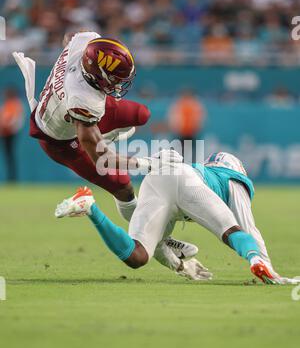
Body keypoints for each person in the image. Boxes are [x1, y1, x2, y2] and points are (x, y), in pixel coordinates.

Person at [14, 32, 196, 259]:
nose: (120, 84)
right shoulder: (82, 99)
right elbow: (102, 158)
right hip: (63, 142)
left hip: (78, 110)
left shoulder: (85, 42)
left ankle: (102, 131)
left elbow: (70, 36)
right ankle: (159, 239)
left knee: (142, 114)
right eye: (116, 79)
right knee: (123, 187)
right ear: (98, 75)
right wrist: (149, 163)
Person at [55, 150, 297, 285]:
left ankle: (90, 207)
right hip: (185, 181)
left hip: (160, 179)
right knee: (233, 233)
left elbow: (158, 247)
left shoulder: (202, 169)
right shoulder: (232, 178)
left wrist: (180, 265)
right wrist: (263, 263)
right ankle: (258, 263)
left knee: (138, 255)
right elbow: (248, 228)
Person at [168, 88, 205, 162]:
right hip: (181, 133)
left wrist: (196, 127)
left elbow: (200, 118)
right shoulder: (178, 104)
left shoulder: (195, 104)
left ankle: (191, 166)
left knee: (192, 153)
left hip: (192, 133)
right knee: (179, 153)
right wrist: (176, 127)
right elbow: (173, 118)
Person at [0, 87, 24, 182]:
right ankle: (10, 178)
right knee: (8, 156)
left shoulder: (15, 104)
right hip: (4, 133)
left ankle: (12, 178)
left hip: (9, 134)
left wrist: (6, 125)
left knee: (10, 156)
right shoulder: (7, 104)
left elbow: (14, 121)